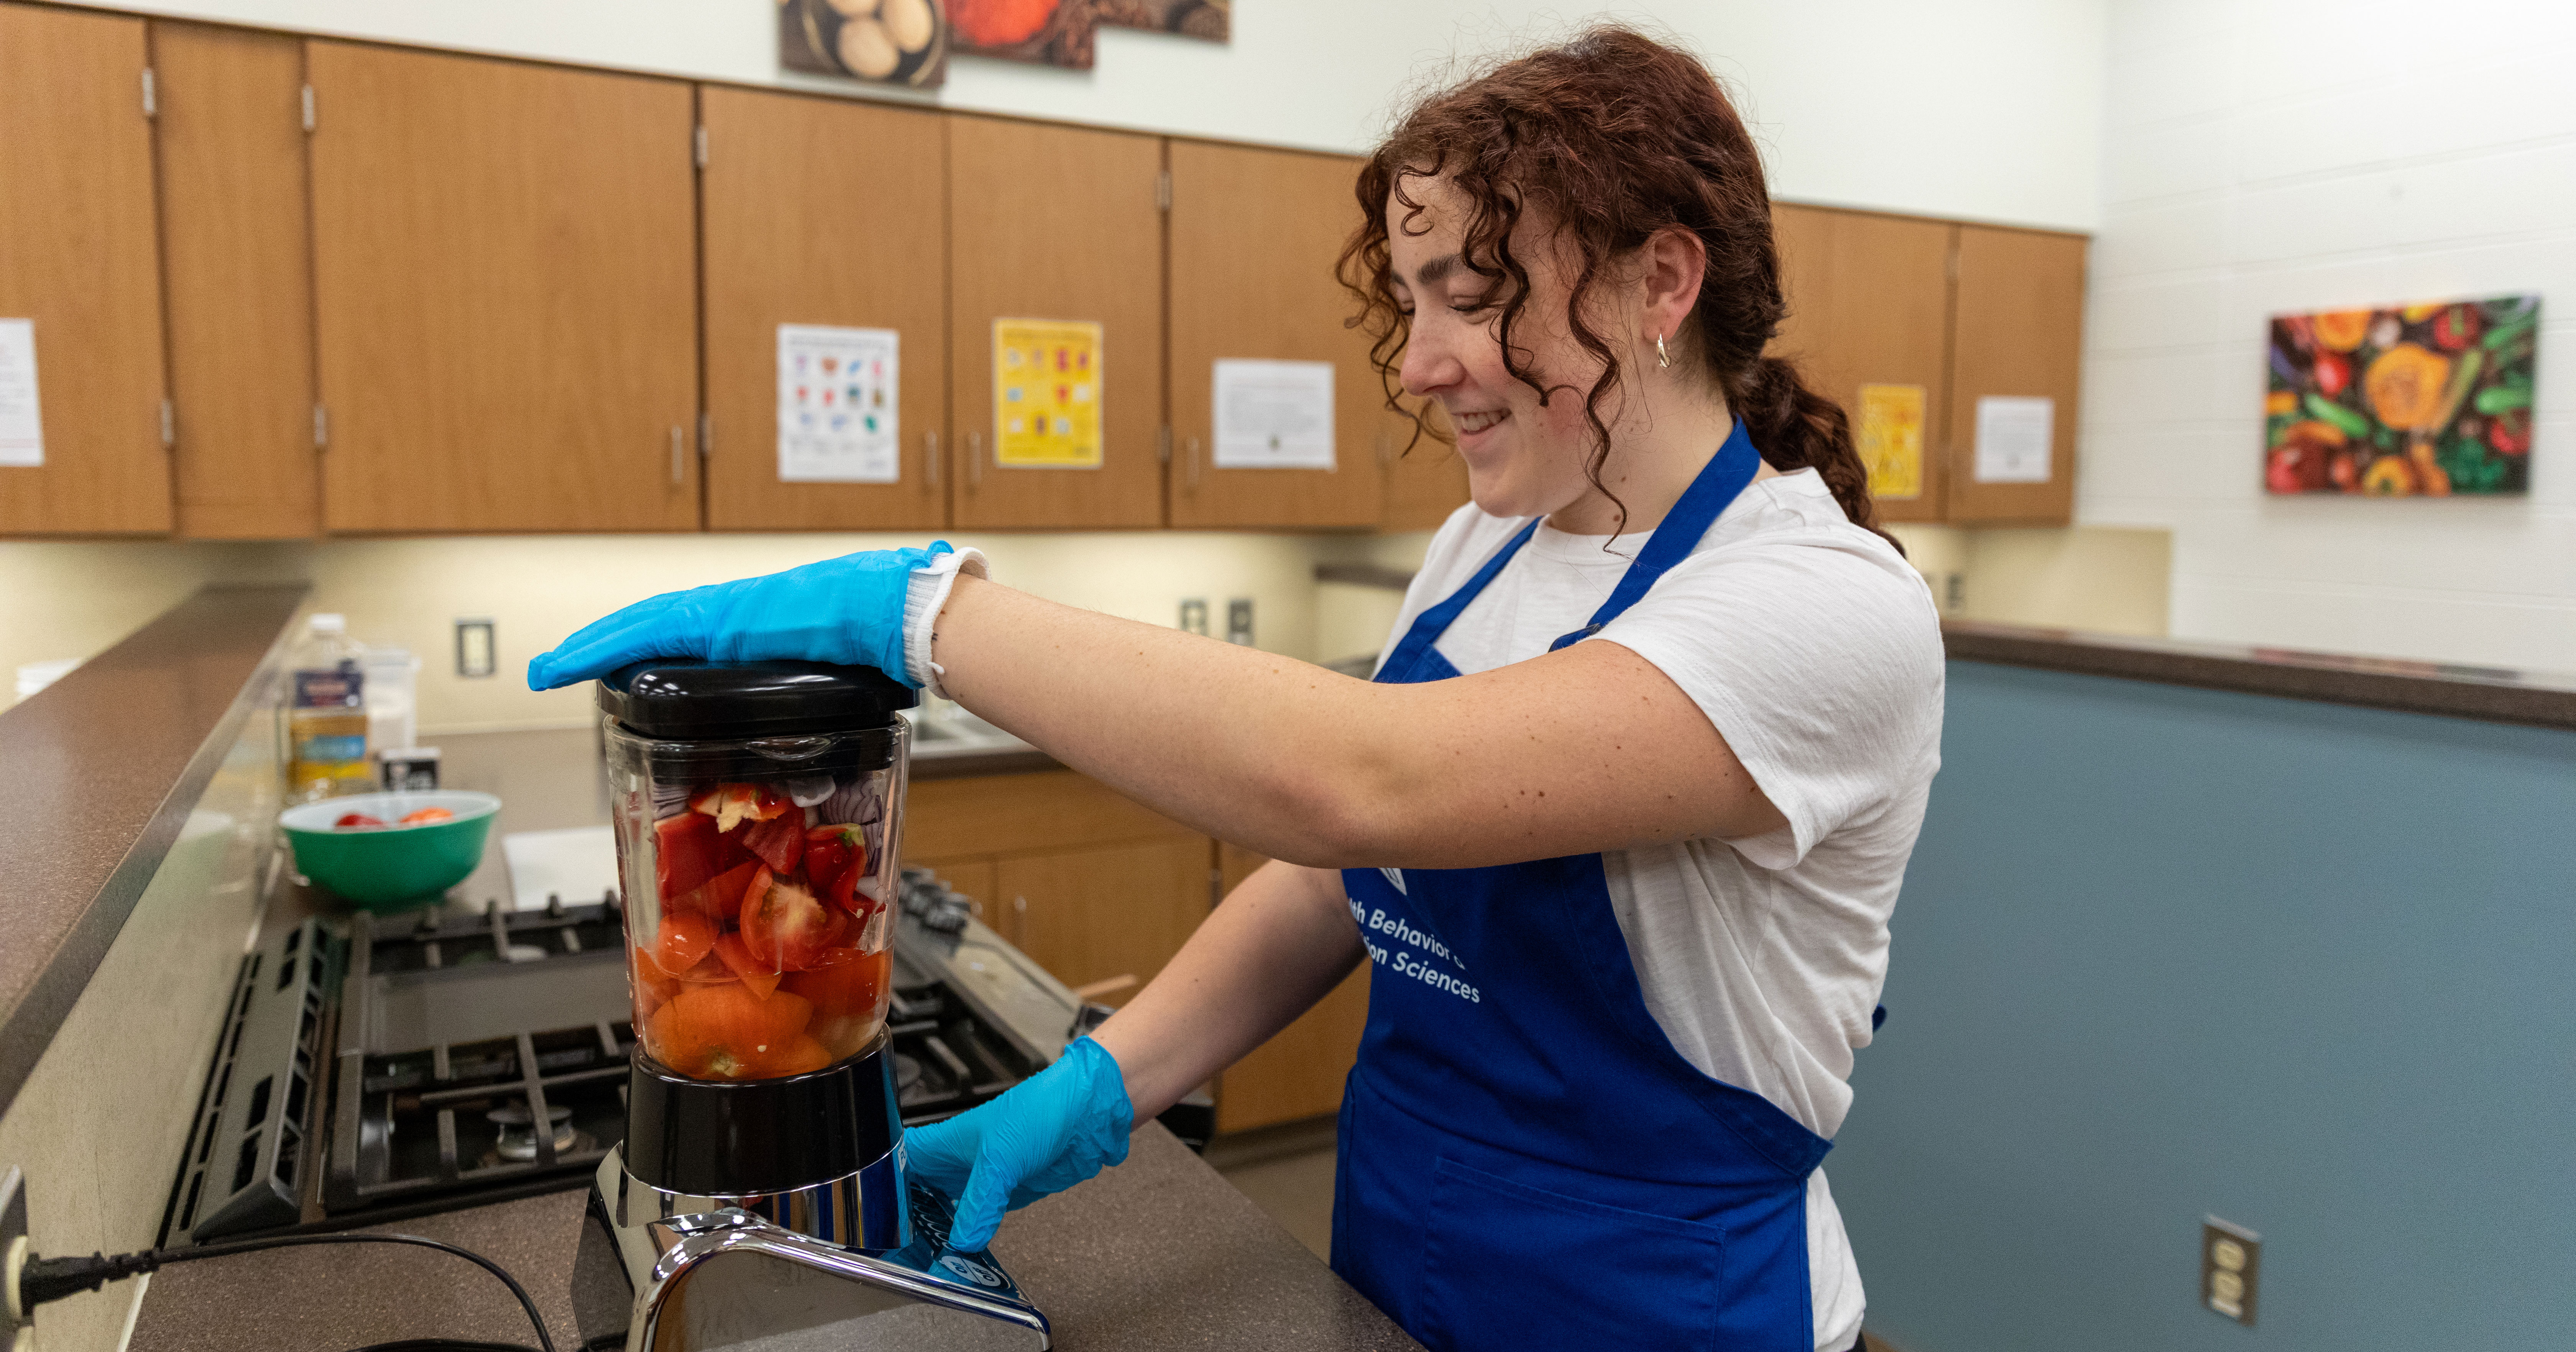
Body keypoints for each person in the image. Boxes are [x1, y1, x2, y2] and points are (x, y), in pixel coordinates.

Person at [530, 26, 1941, 1352]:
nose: (1421, 362)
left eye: (1475, 295)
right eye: (1409, 301)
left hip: (1655, 1307)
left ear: (1661, 285)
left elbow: (1368, 778)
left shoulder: (1824, 607)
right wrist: (1095, 1090)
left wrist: (917, 614)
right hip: (1391, 1256)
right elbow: (1345, 865)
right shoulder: (1485, 546)